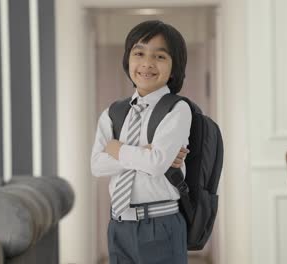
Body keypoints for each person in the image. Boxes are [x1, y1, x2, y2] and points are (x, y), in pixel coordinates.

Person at [91, 20, 191, 264]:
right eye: (139, 53)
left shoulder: (177, 109)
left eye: (159, 56)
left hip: (160, 224)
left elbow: (156, 165)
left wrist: (118, 150)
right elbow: (96, 165)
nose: (147, 63)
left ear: (174, 66)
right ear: (128, 59)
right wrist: (139, 154)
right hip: (118, 224)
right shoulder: (113, 113)